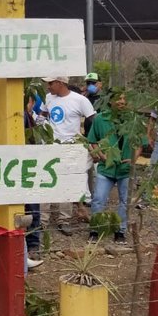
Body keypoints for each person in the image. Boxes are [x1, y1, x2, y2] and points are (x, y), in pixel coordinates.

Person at [41, 76, 95, 234]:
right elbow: (43, 115)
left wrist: (90, 142)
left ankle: (64, 219)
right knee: (45, 181)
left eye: (51, 83)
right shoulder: (48, 98)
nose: (48, 86)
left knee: (66, 183)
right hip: (50, 145)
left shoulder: (79, 100)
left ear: (60, 83)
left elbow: (93, 121)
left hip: (70, 147)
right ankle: (42, 220)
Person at [88, 89, 142, 245]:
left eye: (124, 99)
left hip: (126, 169)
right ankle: (95, 229)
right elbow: (92, 140)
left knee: (125, 200)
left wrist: (133, 159)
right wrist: (101, 155)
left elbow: (139, 143)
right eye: (118, 99)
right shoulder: (100, 119)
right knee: (98, 198)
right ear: (110, 101)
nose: (121, 102)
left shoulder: (134, 119)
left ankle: (120, 231)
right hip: (106, 167)